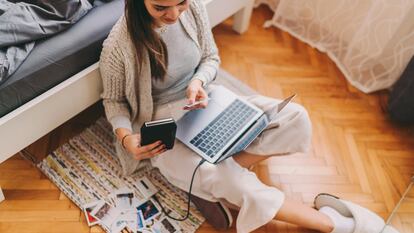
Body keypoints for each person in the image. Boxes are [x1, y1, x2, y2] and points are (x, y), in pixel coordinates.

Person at [99, 0, 398, 233]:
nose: (175, 15)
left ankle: (209, 185)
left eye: (181, 3)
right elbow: (114, 102)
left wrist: (198, 82)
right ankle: (334, 223)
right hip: (164, 122)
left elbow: (210, 57)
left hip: (203, 102)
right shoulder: (118, 46)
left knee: (295, 118)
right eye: (160, 7)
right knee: (226, 177)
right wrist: (127, 140)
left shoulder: (194, 11)